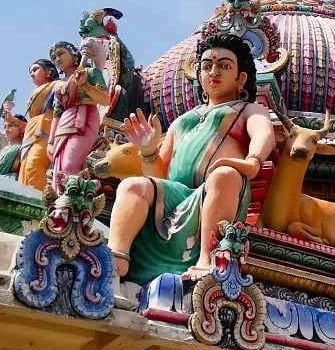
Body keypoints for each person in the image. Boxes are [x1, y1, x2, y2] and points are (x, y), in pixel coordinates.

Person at [107, 32, 275, 284]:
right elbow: (160, 176)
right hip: (177, 194)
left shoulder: (248, 110)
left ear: (241, 79)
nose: (214, 72)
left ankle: (207, 260)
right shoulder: (183, 121)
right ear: (198, 75)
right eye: (206, 66)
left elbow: (264, 133)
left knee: (225, 174)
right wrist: (149, 150)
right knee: (132, 185)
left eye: (224, 66)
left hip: (217, 191)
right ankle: (115, 258)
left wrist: (253, 160)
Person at [48, 41, 110, 190]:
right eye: (54, 57)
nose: (57, 59)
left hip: (84, 117)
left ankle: (74, 197)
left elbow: (105, 99)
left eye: (61, 53)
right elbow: (57, 113)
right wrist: (50, 142)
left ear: (74, 55)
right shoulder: (59, 85)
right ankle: (61, 197)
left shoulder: (90, 73)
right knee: (58, 170)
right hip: (64, 122)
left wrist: (84, 85)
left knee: (70, 165)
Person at [19, 59, 59, 190]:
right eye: (30, 72)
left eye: (35, 69)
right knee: (24, 172)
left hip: (46, 130)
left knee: (33, 165)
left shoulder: (56, 86)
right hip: (31, 133)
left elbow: (59, 109)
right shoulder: (38, 92)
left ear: (48, 72)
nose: (32, 74)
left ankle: (42, 198)